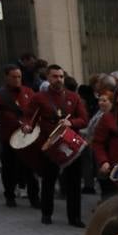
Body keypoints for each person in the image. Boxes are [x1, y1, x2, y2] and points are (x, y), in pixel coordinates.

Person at [23, 65, 90, 226]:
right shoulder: (39, 97)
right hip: (50, 143)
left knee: (74, 182)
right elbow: (27, 116)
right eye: (55, 76)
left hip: (71, 143)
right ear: (48, 78)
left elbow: (84, 119)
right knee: (48, 180)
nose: (58, 79)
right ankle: (47, 214)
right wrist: (26, 126)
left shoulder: (74, 97)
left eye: (61, 76)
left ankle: (74, 217)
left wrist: (70, 122)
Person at [0, 64, 37, 207]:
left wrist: (30, 124)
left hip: (27, 137)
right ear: (7, 77)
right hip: (9, 138)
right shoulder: (0, 95)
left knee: (30, 169)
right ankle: (9, 195)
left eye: (19, 77)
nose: (17, 79)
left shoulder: (28, 92)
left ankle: (34, 197)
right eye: (14, 77)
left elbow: (35, 112)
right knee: (9, 168)